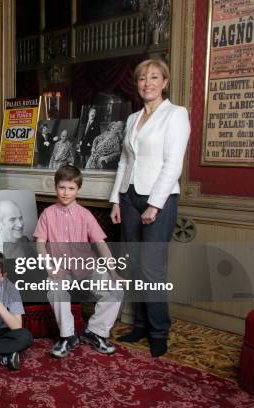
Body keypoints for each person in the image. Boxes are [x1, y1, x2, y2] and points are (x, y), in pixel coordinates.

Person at [109, 59, 190, 357]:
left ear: (165, 82)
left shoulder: (176, 115)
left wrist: (155, 204)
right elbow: (125, 162)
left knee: (152, 269)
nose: (148, 83)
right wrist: (116, 199)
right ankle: (141, 324)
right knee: (134, 265)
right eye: (143, 78)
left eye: (155, 77)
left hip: (160, 198)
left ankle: (159, 331)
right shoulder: (132, 119)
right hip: (129, 196)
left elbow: (173, 163)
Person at [34, 165, 123, 358]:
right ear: (55, 187)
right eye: (62, 188)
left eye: (71, 188)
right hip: (60, 270)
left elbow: (101, 245)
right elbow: (40, 245)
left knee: (116, 289)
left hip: (86, 267)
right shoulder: (47, 214)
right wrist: (50, 269)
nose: (66, 193)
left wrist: (113, 272)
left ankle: (95, 332)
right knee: (55, 288)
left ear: (78, 190)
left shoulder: (85, 215)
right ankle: (67, 337)